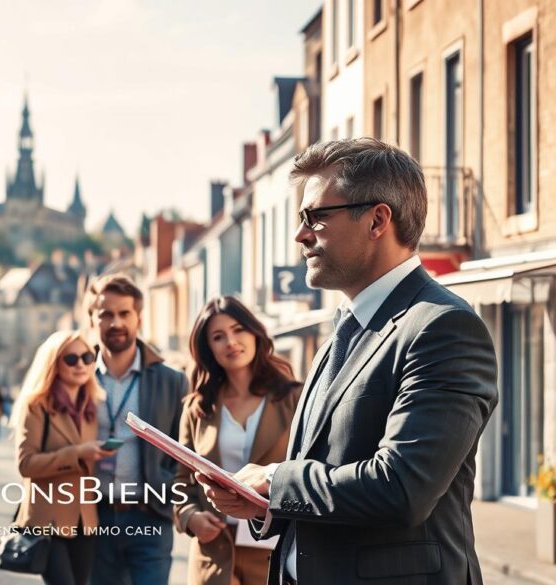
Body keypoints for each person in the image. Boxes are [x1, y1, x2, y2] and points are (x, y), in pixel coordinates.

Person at [200, 139, 499, 585]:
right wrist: (263, 503)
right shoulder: (342, 327)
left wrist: (278, 480)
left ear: (378, 220)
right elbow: (327, 480)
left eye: (316, 217)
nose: (301, 235)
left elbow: (401, 489)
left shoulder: (443, 327)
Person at [174, 297, 301, 585]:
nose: (231, 341)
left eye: (238, 329)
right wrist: (189, 516)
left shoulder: (295, 398)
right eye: (218, 337)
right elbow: (180, 481)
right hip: (214, 549)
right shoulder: (198, 407)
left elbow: (310, 468)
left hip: (275, 546)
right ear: (209, 350)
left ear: (255, 333)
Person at [84, 274, 188, 585]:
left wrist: (168, 491)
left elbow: (184, 450)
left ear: (138, 318)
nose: (115, 322)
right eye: (106, 314)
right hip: (93, 515)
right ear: (93, 319)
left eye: (124, 313)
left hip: (149, 515)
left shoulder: (171, 380)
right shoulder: (77, 375)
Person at [11, 330, 112, 585]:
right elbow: (25, 464)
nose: (81, 364)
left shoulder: (92, 406)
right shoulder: (36, 405)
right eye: (71, 359)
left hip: (85, 519)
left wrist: (99, 452)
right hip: (48, 520)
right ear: (53, 363)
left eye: (88, 357)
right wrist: (76, 454)